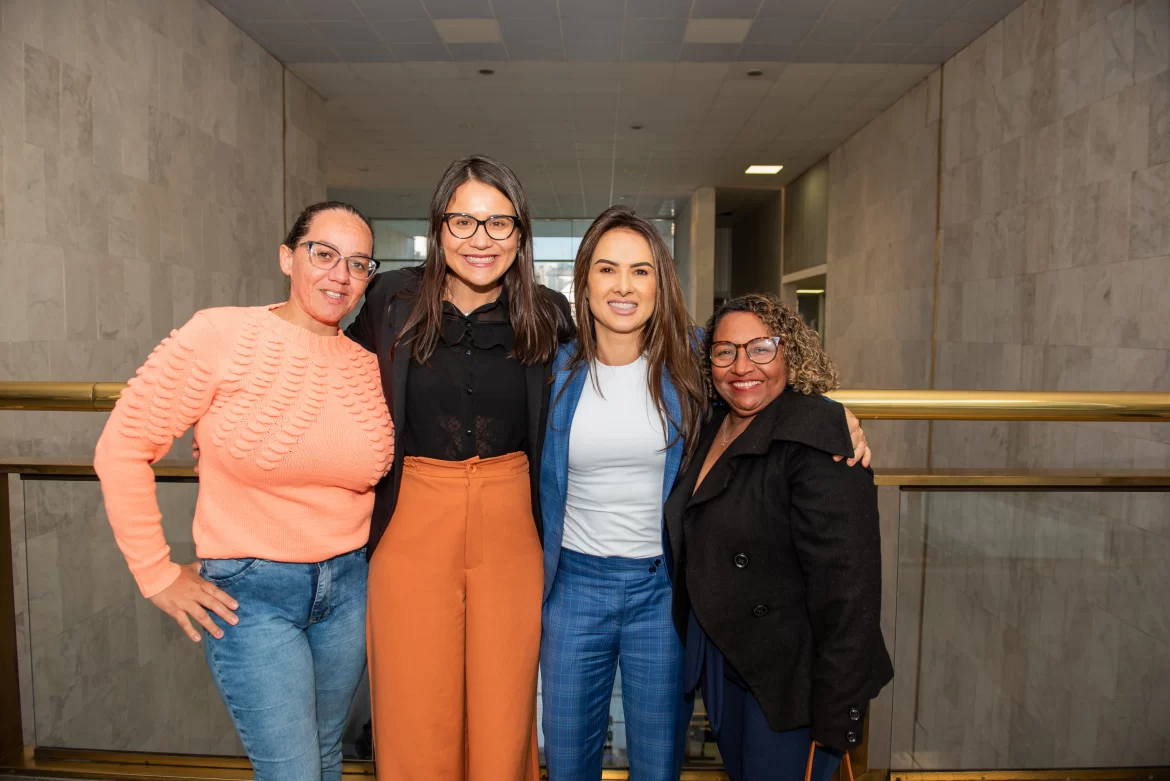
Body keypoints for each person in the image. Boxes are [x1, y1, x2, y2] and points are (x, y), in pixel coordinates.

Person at [539, 209, 872, 781]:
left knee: (659, 762)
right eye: (607, 269)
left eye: (641, 271)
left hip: (664, 591)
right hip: (573, 587)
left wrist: (836, 418)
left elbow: (771, 379)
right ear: (584, 280)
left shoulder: (693, 357)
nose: (623, 286)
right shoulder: (550, 366)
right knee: (566, 757)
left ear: (661, 281)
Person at [94, 201, 393, 781]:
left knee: (327, 756)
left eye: (358, 264)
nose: (340, 275)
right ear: (287, 257)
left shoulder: (367, 364)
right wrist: (155, 573)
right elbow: (121, 448)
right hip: (251, 596)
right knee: (294, 772)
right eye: (323, 254)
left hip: (351, 590)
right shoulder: (221, 333)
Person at [344, 155, 573, 781]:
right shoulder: (389, 299)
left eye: (499, 224)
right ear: (438, 228)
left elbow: (639, 353)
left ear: (521, 234)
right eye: (464, 222)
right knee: (415, 707)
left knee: (504, 709)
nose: (481, 240)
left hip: (511, 522)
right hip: (412, 516)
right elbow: (327, 373)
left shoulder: (549, 314)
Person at [665, 293, 893, 781]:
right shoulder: (710, 423)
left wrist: (837, 714)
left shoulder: (819, 437)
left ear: (791, 352)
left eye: (761, 348)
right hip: (731, 665)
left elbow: (850, 591)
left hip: (795, 686)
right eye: (725, 351)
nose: (742, 365)